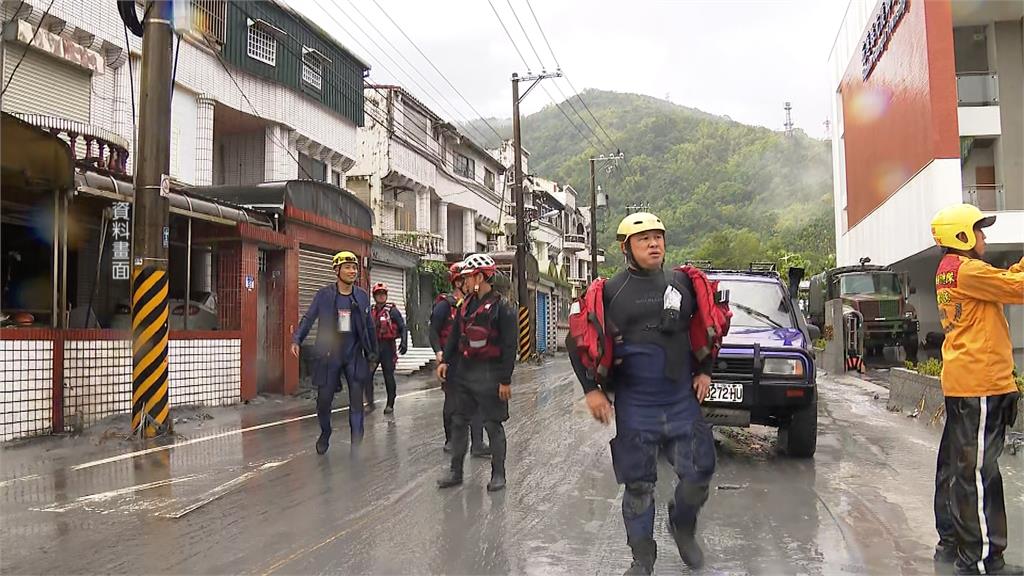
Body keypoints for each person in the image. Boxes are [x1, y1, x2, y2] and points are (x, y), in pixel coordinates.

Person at [568, 212, 715, 574]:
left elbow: (709, 327)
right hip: (636, 403)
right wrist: (592, 391)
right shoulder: (610, 292)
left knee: (699, 473)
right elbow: (576, 342)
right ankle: (642, 559)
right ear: (626, 248)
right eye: (643, 238)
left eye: (658, 237)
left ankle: (682, 526)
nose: (653, 244)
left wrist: (707, 372)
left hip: (681, 398)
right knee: (638, 486)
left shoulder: (683, 283)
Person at [930, 203, 1023, 575]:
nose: (984, 237)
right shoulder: (969, 271)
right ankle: (983, 560)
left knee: (956, 469)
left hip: (962, 383)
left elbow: (1004, 280)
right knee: (979, 474)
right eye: (979, 231)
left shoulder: (952, 271)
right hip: (981, 384)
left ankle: (951, 543)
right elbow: (1017, 287)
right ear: (963, 236)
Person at [436, 253, 517, 492]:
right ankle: (456, 471)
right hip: (465, 373)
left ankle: (498, 474)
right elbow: (454, 337)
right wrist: (446, 361)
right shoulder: (464, 305)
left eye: (468, 277)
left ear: (480, 277)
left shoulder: (503, 308)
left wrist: (505, 380)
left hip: (491, 375)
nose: (465, 282)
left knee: (493, 425)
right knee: (459, 421)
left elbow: (510, 347)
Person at [291, 251, 377, 454]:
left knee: (356, 401)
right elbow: (309, 318)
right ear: (336, 270)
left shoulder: (362, 296)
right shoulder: (324, 295)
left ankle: (357, 443)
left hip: (354, 353)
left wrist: (373, 352)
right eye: (347, 267)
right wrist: (297, 339)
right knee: (323, 401)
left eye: (354, 267)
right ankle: (325, 433)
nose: (352, 271)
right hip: (330, 355)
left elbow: (370, 326)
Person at [429, 262, 489, 456]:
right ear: (458, 282)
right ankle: (451, 439)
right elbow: (433, 331)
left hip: (472, 359)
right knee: (453, 401)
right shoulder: (445, 305)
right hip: (452, 360)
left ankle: (478, 444)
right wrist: (439, 352)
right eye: (466, 279)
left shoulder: (475, 305)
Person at [368, 282, 408, 415]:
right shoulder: (371, 311)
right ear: (374, 296)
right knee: (367, 375)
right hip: (374, 347)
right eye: (378, 294)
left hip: (388, 347)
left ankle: (390, 403)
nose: (381, 297)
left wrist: (404, 342)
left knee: (388, 375)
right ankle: (370, 402)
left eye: (383, 294)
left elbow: (402, 327)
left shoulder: (392, 311)